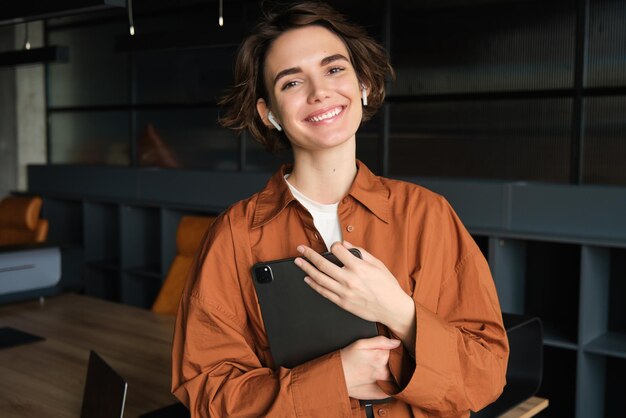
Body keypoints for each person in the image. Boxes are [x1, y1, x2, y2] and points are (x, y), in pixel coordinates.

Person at [171, 2, 509, 417]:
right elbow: (206, 393)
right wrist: (337, 378)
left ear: (363, 83)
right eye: (291, 83)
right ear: (269, 113)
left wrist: (399, 311)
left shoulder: (429, 215)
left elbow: (486, 376)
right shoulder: (235, 235)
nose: (319, 92)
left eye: (334, 69)